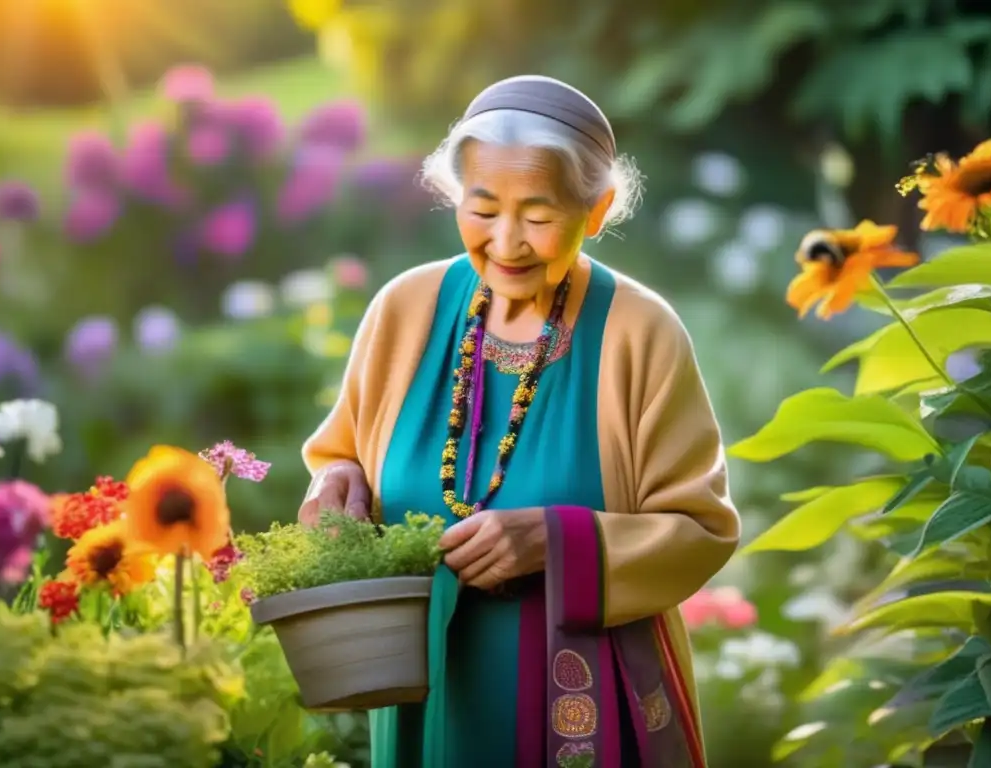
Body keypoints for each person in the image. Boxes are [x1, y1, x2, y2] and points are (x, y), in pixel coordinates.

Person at [299, 75, 741, 768]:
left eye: (538, 216)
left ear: (596, 211)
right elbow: (342, 453)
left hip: (589, 706)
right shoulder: (405, 310)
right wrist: (335, 487)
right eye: (482, 209)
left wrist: (558, 541)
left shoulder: (639, 333)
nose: (507, 241)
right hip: (427, 691)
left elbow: (701, 528)